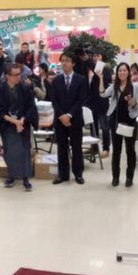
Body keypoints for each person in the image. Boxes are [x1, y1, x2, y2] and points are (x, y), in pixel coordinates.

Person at [48, 53, 93, 185]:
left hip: (75, 118)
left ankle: (78, 174)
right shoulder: (56, 80)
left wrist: (69, 115)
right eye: (62, 61)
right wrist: (62, 115)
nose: (64, 63)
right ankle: (63, 174)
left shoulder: (81, 79)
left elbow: (81, 99)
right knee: (61, 147)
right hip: (60, 119)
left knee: (76, 147)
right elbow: (54, 100)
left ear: (73, 63)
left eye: (67, 61)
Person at [0, 63, 38, 192]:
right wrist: (14, 121)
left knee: (24, 151)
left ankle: (25, 178)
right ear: (8, 76)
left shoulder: (25, 89)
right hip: (8, 125)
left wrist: (22, 120)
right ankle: (12, 175)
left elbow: (30, 107)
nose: (19, 77)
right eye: (16, 75)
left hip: (23, 124)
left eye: (20, 74)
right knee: (10, 152)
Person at [110, 63, 138, 188]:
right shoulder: (113, 87)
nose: (122, 72)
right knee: (116, 151)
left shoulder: (134, 87)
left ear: (128, 72)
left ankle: (129, 177)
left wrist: (132, 102)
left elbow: (137, 106)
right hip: (116, 122)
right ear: (117, 73)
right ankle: (115, 177)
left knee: (130, 151)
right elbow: (103, 94)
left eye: (124, 70)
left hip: (130, 122)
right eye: (120, 70)